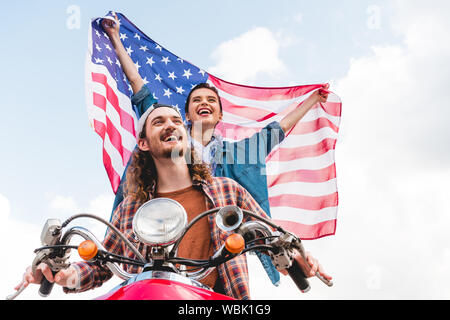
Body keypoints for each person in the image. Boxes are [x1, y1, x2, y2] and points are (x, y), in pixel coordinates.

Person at [103, 13, 330, 286]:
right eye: (197, 99)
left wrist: (311, 100)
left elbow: (275, 132)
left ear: (220, 115)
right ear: (186, 113)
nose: (204, 102)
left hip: (217, 260)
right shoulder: (167, 138)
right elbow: (140, 90)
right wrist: (116, 39)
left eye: (211, 100)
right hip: (160, 249)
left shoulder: (234, 163)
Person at [16, 104, 332, 299]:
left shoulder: (226, 191)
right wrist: (63, 273)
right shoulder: (130, 206)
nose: (171, 124)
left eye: (176, 120)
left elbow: (270, 238)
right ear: (143, 143)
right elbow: (101, 265)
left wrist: (296, 257)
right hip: (145, 295)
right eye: (159, 122)